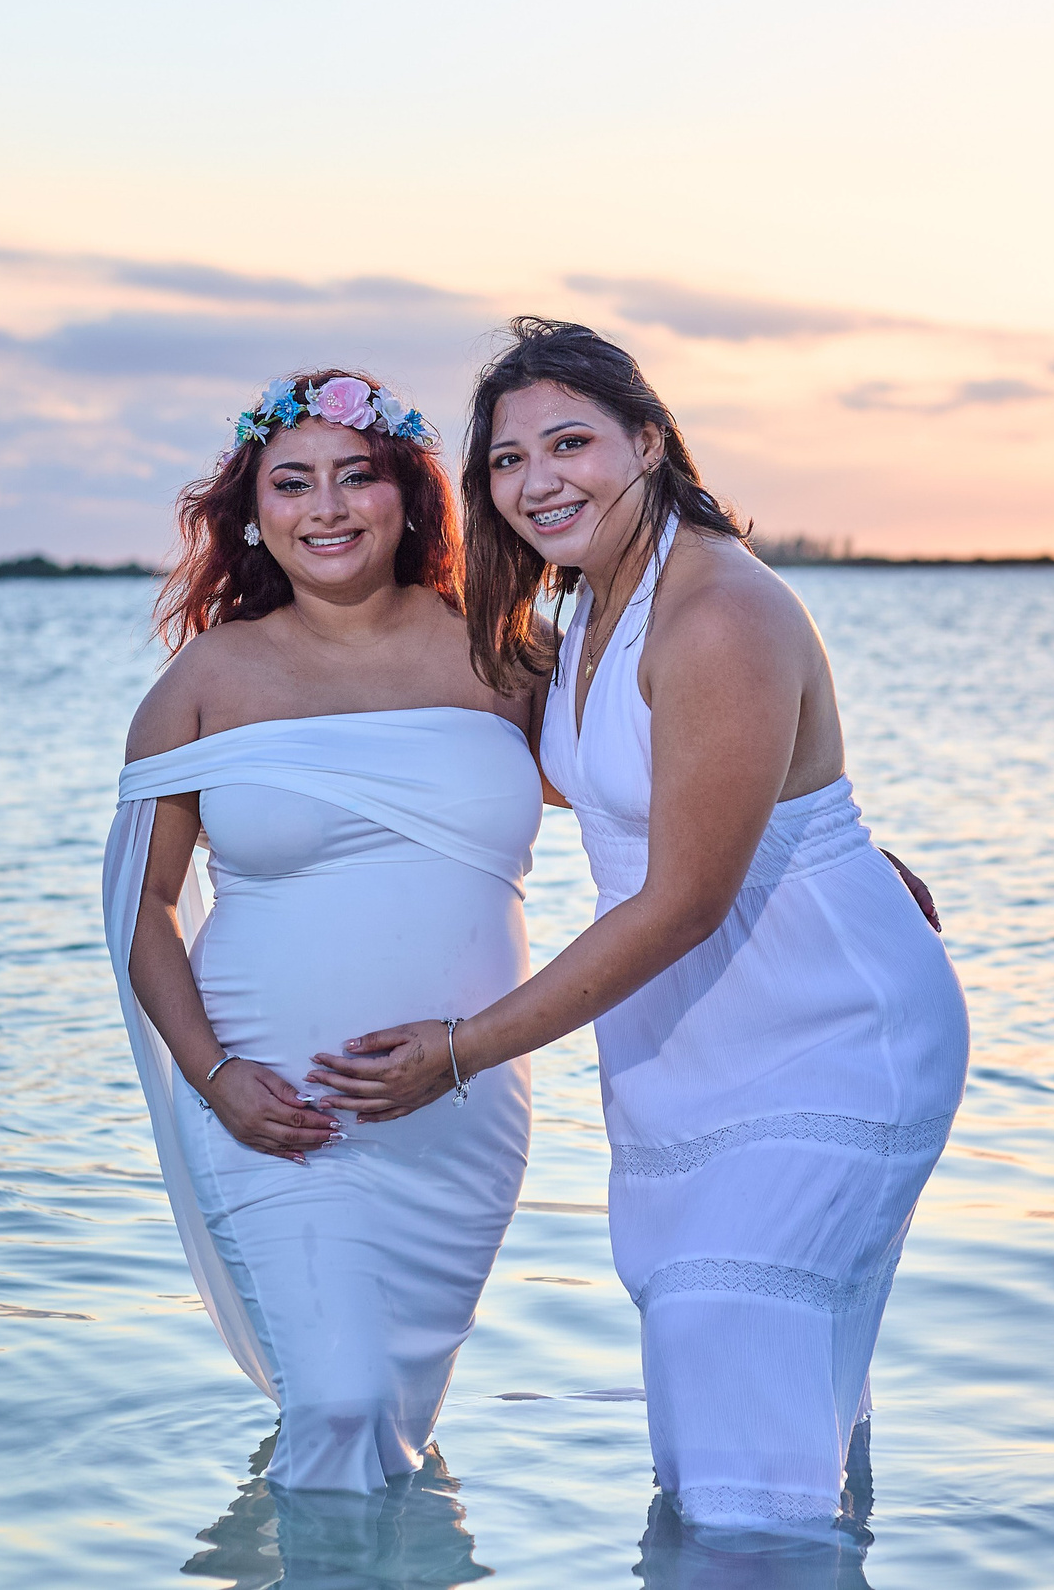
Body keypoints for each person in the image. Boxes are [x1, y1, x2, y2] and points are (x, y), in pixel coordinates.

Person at [310, 320, 969, 1539]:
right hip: (691, 1046)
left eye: (572, 443)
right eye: (507, 462)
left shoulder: (715, 608)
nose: (538, 480)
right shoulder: (594, 612)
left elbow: (682, 898)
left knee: (736, 1429)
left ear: (650, 441)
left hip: (823, 1034)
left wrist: (461, 1048)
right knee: (747, 1422)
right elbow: (617, 781)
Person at [100, 370, 540, 1493]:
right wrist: (215, 1077)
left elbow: (667, 794)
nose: (327, 507)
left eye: (357, 476)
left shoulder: (503, 654)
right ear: (254, 511)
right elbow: (141, 910)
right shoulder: (205, 683)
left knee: (386, 1421)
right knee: (342, 1406)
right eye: (292, 483)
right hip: (274, 1102)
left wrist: (838, 851)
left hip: (461, 1103)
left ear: (409, 499)